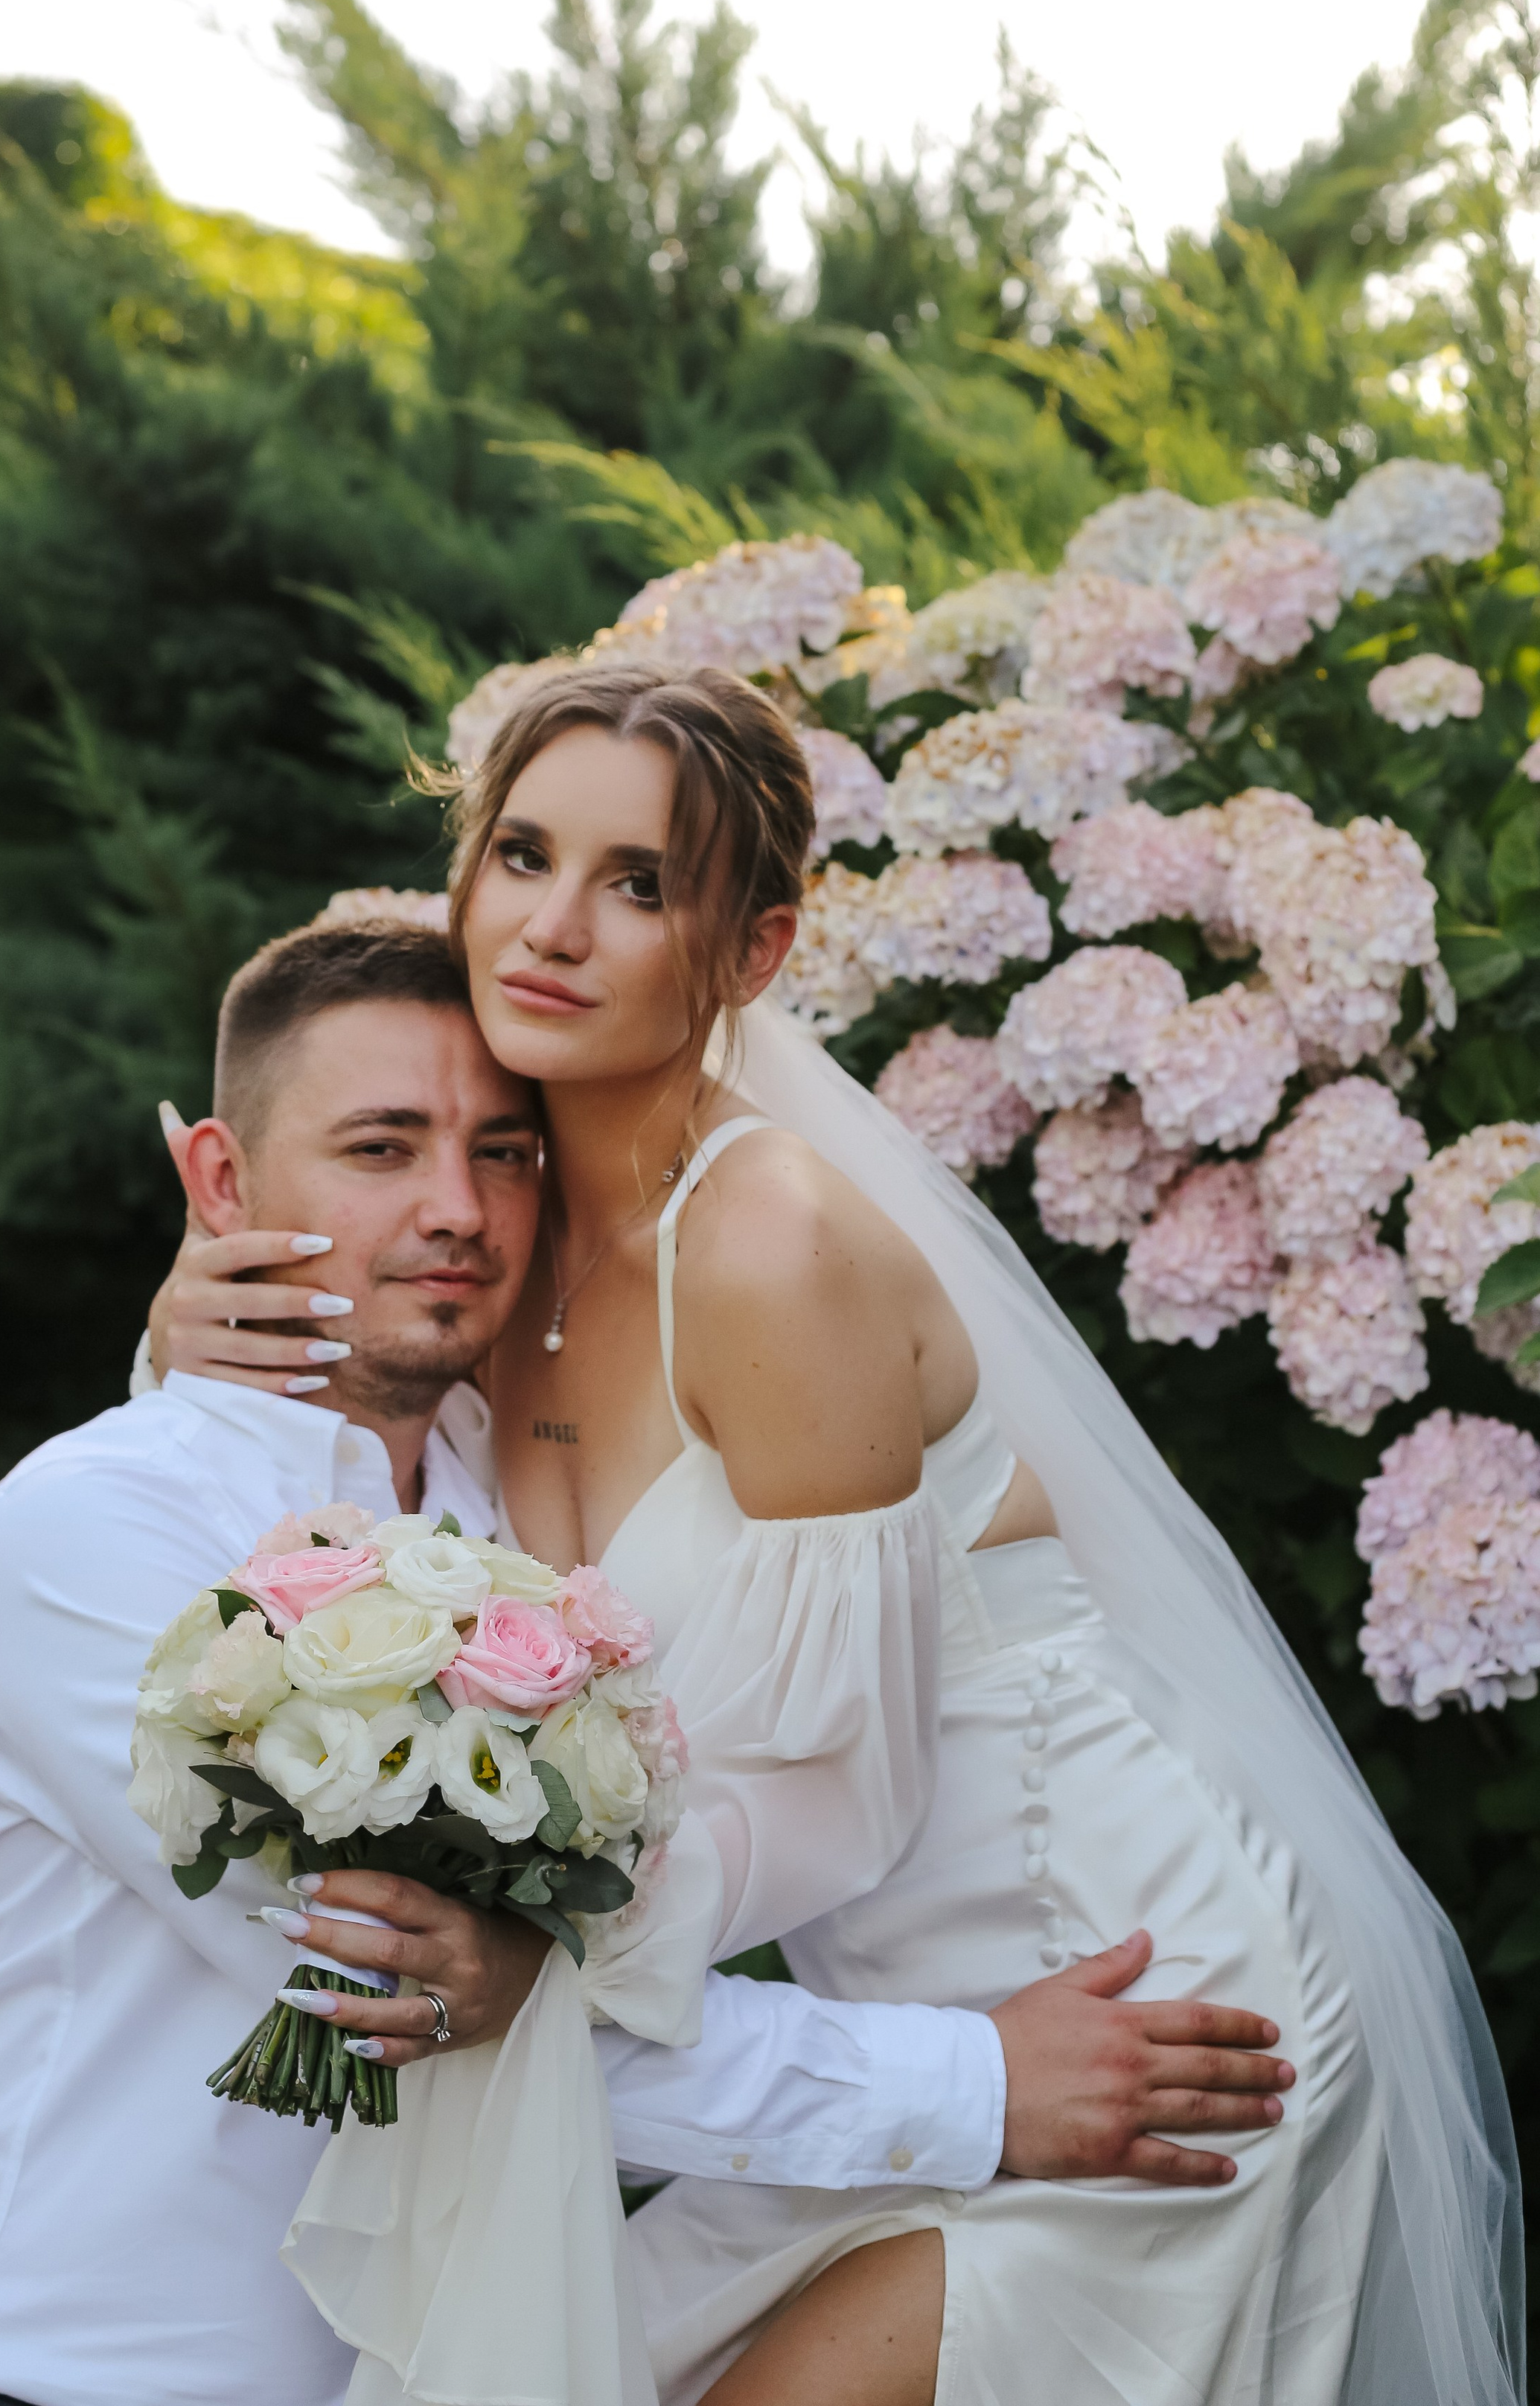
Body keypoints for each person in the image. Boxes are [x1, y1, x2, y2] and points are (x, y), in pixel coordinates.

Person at [150, 665, 1518, 2406]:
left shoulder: (765, 1243)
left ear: (755, 952)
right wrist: (189, 1319)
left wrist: (539, 1953)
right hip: (901, 2043)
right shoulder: (499, 1238)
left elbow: (842, 1793)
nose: (553, 926)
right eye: (519, 856)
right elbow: (334, 1488)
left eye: (638, 885)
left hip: (1136, 2004)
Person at [0, 926, 1282, 2406]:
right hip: (61, 2378)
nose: (455, 1210)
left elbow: (563, 1967)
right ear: (221, 1185)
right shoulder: (87, 1534)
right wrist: (972, 2088)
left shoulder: (512, 1521)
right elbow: (436, 2008)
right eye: (381, 1147)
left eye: (505, 1151)